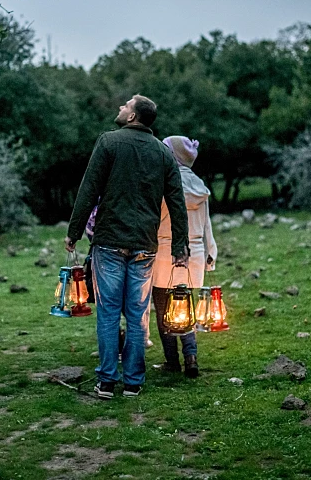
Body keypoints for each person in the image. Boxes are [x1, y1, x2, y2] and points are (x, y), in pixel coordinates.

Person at [65, 95, 189, 400]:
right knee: (137, 314)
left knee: (108, 313)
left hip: (109, 241)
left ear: (133, 116)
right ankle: (133, 382)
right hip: (145, 244)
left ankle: (107, 382)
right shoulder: (163, 153)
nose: (120, 107)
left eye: (125, 105)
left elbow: (89, 187)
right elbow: (176, 202)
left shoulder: (108, 142)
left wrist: (74, 231)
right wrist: (179, 245)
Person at [151, 136, 218, 379]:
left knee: (163, 310)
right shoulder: (200, 185)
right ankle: (191, 357)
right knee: (185, 306)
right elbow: (207, 224)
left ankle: (172, 361)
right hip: (196, 253)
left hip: (165, 252)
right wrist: (211, 253)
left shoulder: (163, 183)